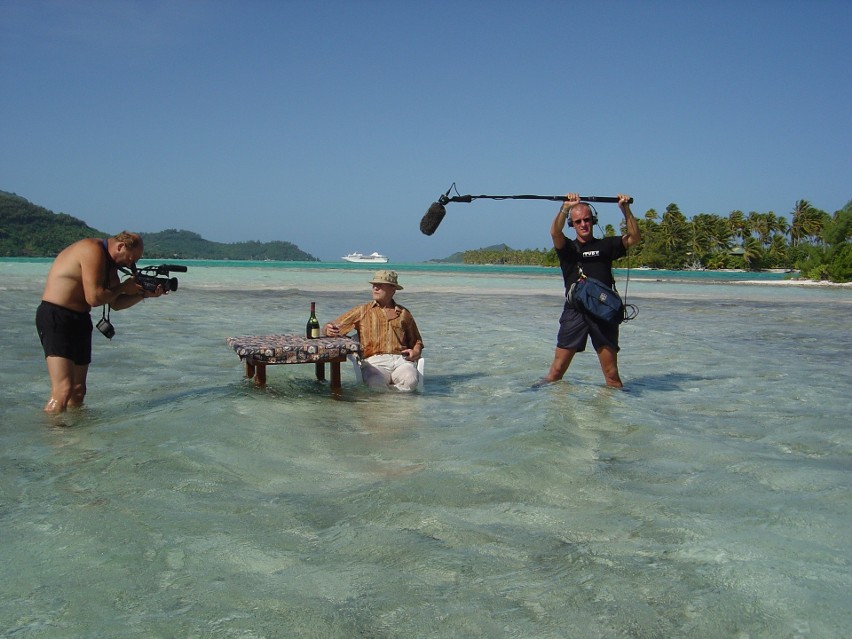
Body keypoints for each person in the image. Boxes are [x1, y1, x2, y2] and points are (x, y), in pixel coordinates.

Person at [36, 231, 165, 413]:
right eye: (130, 259)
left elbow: (115, 304)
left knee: (78, 391)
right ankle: (54, 436)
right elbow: (95, 298)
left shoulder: (111, 266)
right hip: (57, 316)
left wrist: (144, 294)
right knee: (63, 390)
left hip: (80, 319)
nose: (131, 264)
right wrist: (123, 287)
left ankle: (75, 435)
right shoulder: (92, 250)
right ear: (120, 246)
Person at [543, 193, 640, 388]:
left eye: (587, 220)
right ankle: (540, 400)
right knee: (556, 371)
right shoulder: (567, 249)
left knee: (612, 375)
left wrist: (625, 209)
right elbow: (555, 232)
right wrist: (565, 207)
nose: (583, 224)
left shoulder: (606, 245)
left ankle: (616, 413)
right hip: (575, 312)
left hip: (603, 312)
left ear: (593, 220)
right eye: (578, 221)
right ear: (572, 224)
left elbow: (634, 238)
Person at [324, 270, 424, 391]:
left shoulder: (404, 313)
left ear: (393, 290)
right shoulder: (362, 311)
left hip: (401, 361)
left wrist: (415, 352)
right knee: (375, 382)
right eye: (374, 285)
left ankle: (399, 408)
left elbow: (417, 341)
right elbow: (334, 326)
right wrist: (327, 329)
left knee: (411, 379)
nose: (375, 288)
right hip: (374, 363)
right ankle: (381, 408)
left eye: (380, 285)